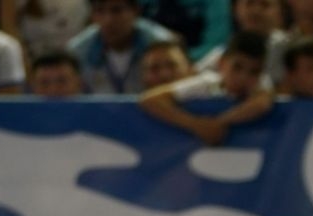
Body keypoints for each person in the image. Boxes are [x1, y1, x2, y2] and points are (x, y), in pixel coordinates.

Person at [138, 31, 273, 143]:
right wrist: (195, 124)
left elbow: (261, 104)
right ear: (221, 64)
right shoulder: (206, 83)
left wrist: (219, 123)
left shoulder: (262, 84)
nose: (243, 77)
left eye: (254, 72)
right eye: (237, 67)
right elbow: (150, 100)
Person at [66, 0, 174, 94]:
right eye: (100, 11)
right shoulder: (77, 52)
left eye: (116, 10)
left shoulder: (164, 46)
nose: (108, 20)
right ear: (92, 15)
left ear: (136, 11)